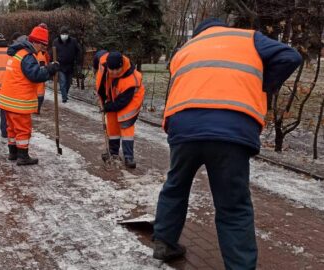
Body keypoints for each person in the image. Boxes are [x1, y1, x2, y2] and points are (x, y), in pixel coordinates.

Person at [152, 18, 302, 269]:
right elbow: (291, 57)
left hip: (184, 125)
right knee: (233, 204)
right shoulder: (247, 38)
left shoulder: (185, 49)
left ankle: (165, 242)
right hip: (231, 127)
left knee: (175, 186)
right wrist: (263, 86)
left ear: (201, 32)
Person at [0, 25, 59, 165]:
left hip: (8, 100)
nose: (42, 50)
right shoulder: (27, 56)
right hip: (19, 101)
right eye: (42, 46)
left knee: (12, 129)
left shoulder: (19, 53)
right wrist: (50, 69)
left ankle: (13, 153)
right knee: (23, 129)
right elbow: (35, 75)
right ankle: (23, 156)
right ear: (36, 42)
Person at [94, 51, 145, 169]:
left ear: (122, 66)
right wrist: (102, 100)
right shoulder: (104, 66)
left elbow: (122, 102)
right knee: (112, 125)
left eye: (117, 70)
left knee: (125, 124)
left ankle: (129, 157)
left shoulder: (131, 79)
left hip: (130, 101)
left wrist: (106, 107)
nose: (114, 73)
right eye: (112, 70)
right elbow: (101, 84)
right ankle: (113, 153)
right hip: (113, 97)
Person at [52, 26, 81, 103]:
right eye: (62, 33)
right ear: (60, 34)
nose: (64, 35)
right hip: (60, 65)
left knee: (68, 82)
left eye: (65, 33)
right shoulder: (56, 42)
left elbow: (78, 51)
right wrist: (53, 62)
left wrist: (77, 61)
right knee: (63, 81)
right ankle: (64, 97)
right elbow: (53, 53)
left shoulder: (73, 41)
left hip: (70, 65)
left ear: (68, 34)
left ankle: (65, 94)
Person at [36, 24, 50, 114]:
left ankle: (37, 107)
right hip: (40, 68)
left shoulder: (43, 53)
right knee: (39, 91)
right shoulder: (40, 54)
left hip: (42, 61)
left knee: (39, 91)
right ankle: (37, 108)